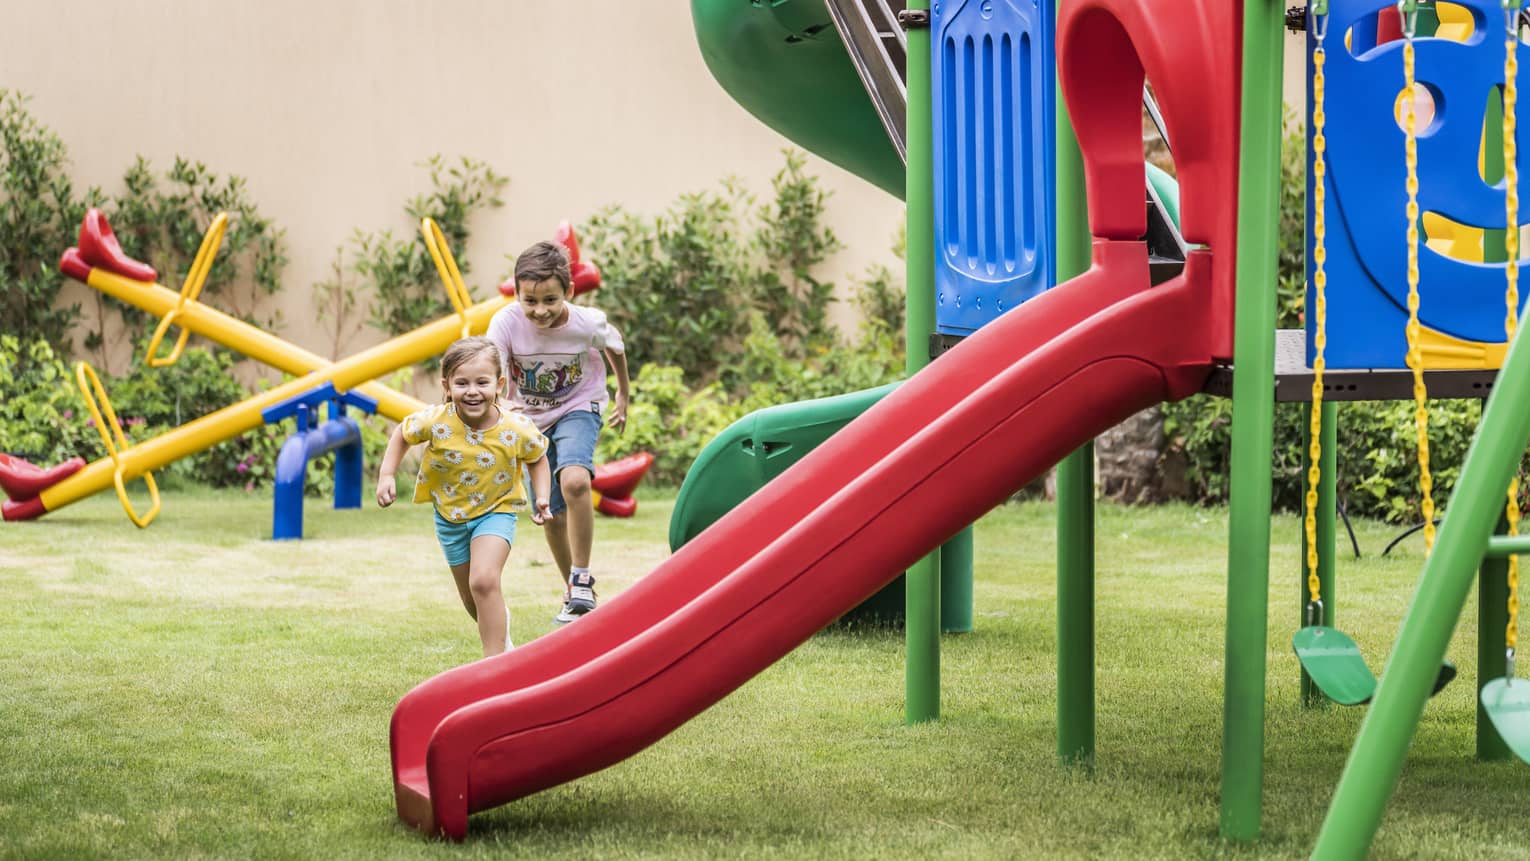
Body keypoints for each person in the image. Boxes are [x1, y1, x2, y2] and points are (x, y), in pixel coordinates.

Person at [376, 336, 552, 657]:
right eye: (462, 383)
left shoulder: (515, 427)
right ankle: (504, 640)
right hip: (450, 517)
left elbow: (537, 456)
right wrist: (387, 475)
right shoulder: (436, 420)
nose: (472, 391)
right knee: (473, 599)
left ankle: (494, 666)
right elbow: (402, 433)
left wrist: (542, 497)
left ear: (499, 384)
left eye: (482, 382)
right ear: (447, 385)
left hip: (496, 512)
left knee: (484, 582)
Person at [487, 239, 630, 624]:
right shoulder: (504, 323)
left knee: (575, 482)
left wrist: (622, 396)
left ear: (568, 291)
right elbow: (493, 371)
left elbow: (615, 346)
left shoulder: (587, 322)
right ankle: (573, 590)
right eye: (529, 300)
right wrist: (499, 410)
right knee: (548, 510)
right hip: (529, 419)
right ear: (516, 292)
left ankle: (582, 577)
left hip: (579, 405)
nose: (540, 310)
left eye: (550, 300)